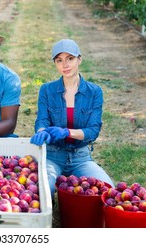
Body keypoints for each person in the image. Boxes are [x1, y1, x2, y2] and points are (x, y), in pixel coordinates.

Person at [30, 38, 114, 200]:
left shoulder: (94, 92)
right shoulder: (47, 90)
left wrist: (66, 132)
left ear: (79, 59)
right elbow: (42, 120)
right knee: (41, 191)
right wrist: (42, 132)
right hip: (53, 156)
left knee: (107, 190)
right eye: (59, 60)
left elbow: (93, 131)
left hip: (80, 157)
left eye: (70, 58)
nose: (65, 65)